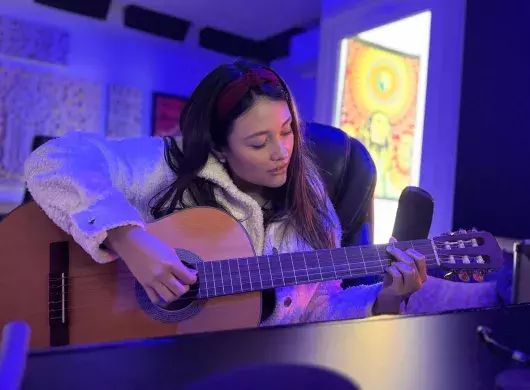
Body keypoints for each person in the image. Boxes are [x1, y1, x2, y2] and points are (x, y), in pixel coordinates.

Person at [24, 60, 430, 327]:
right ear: (219, 147)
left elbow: (319, 307)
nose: (282, 152)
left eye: (288, 131)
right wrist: (128, 239)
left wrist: (387, 298)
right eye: (259, 143)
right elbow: (52, 160)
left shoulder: (315, 208)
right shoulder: (169, 163)